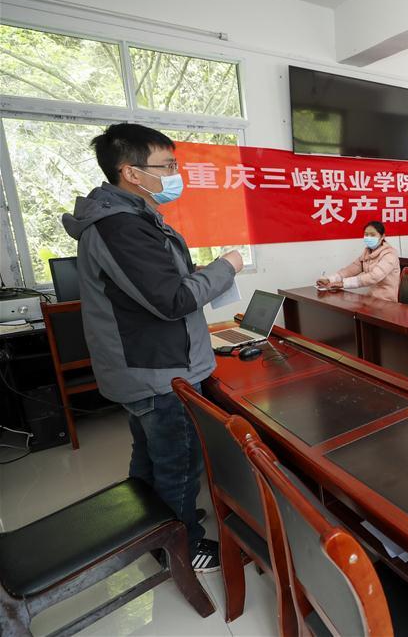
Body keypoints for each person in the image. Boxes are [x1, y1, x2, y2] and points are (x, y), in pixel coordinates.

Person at [62, 123, 243, 572]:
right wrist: (225, 268)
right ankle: (181, 546)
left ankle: (153, 528)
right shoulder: (120, 226)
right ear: (131, 173)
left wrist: (196, 274)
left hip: (148, 364)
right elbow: (171, 300)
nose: (175, 174)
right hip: (159, 371)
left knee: (148, 457)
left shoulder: (131, 218)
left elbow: (156, 285)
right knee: (179, 463)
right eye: (167, 165)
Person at [319, 221, 400, 302]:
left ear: (382, 237)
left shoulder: (390, 254)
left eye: (372, 235)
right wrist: (330, 280)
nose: (369, 237)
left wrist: (343, 284)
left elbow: (374, 277)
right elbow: (350, 270)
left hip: (387, 300)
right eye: (366, 234)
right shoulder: (367, 252)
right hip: (371, 298)